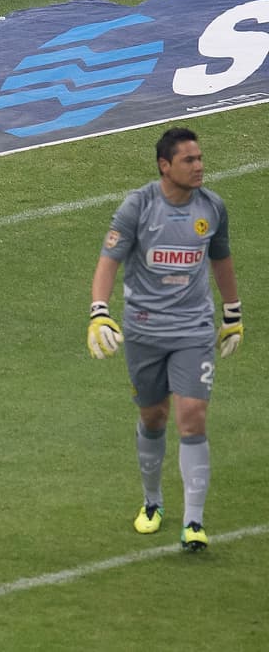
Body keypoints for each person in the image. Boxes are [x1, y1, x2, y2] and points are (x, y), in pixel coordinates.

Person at [87, 127, 244, 551]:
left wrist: (232, 313)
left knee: (191, 415)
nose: (199, 167)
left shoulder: (212, 208)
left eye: (200, 159)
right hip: (143, 331)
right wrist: (99, 313)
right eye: (189, 160)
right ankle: (152, 501)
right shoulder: (138, 207)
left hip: (192, 331)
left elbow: (221, 259)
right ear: (164, 165)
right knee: (153, 417)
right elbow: (108, 262)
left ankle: (194, 521)